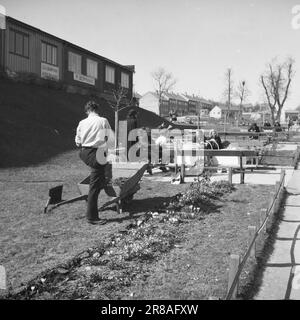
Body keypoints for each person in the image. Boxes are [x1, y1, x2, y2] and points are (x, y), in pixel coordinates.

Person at [75, 101, 111, 225]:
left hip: (84, 152)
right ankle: (92, 217)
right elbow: (109, 138)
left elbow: (78, 142)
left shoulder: (82, 122)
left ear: (87, 111)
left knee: (100, 177)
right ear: (97, 109)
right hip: (96, 154)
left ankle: (93, 203)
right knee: (94, 187)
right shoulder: (103, 121)